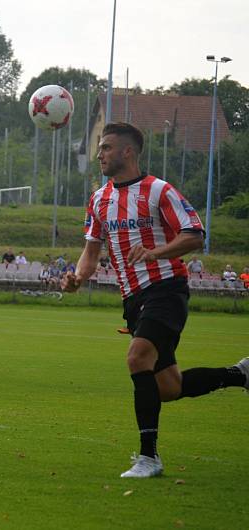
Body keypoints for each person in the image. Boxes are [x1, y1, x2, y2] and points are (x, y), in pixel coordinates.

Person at [61, 122, 248, 479]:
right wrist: (78, 277)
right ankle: (239, 375)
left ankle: (149, 457)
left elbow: (195, 235)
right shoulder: (99, 199)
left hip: (166, 289)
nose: (99, 154)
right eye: (100, 148)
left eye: (106, 147)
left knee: (137, 357)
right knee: (168, 388)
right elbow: (91, 250)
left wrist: (155, 252)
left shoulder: (158, 190)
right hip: (133, 299)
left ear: (128, 152)